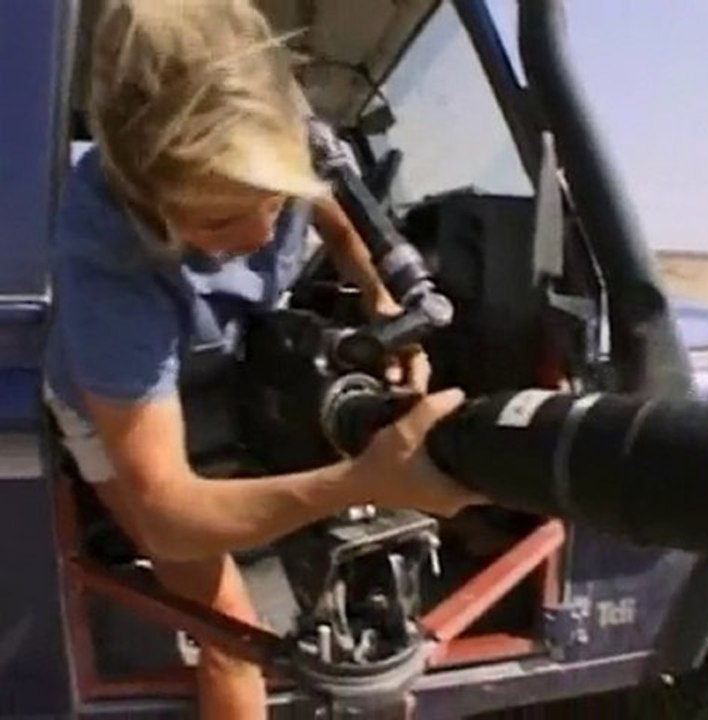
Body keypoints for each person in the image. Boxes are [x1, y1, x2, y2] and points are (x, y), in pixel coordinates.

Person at [42, 1, 482, 718]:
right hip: (109, 391)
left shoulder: (282, 138)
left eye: (275, 204)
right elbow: (168, 514)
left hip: (223, 347)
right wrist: (357, 481)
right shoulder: (107, 259)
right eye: (216, 219)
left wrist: (378, 295)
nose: (255, 237)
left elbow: (333, 208)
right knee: (233, 639)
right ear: (143, 196)